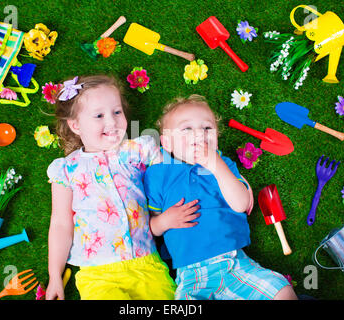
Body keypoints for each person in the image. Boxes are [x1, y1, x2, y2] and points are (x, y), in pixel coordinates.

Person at [45, 75, 188, 300]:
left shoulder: (138, 149)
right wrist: (55, 275)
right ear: (75, 125)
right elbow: (61, 224)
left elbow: (170, 178)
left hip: (148, 265)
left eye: (117, 112)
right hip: (97, 274)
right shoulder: (66, 170)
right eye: (99, 115)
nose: (112, 122)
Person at [144, 94, 297, 300]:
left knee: (282, 291)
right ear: (167, 143)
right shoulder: (158, 175)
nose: (199, 134)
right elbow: (149, 228)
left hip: (235, 265)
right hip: (191, 277)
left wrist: (216, 165)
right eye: (187, 129)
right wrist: (165, 221)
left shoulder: (224, 165)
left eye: (207, 128)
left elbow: (241, 203)